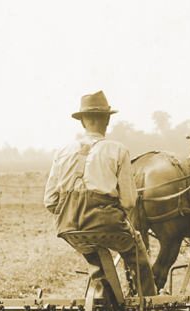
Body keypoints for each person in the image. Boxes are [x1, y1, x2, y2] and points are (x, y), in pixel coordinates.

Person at [44, 91, 156, 297]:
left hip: (68, 228)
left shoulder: (62, 150)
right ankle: (150, 306)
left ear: (82, 122)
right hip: (107, 225)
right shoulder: (118, 149)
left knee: (92, 253)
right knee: (138, 254)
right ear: (107, 121)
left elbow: (50, 201)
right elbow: (130, 201)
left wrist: (72, 210)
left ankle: (102, 294)